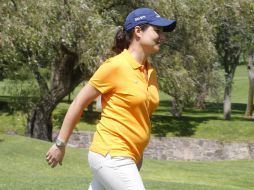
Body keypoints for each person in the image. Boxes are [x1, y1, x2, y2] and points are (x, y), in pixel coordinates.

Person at [46, 7, 176, 190]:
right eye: (158, 30)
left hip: (129, 156)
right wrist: (60, 144)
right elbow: (79, 102)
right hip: (111, 155)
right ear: (138, 31)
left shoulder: (150, 71)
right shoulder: (115, 66)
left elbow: (139, 116)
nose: (163, 37)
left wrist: (137, 153)